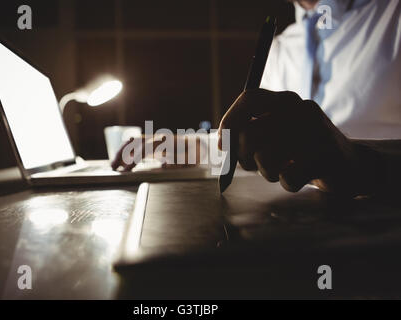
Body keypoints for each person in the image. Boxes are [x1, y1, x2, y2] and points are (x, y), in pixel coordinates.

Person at [112, 0, 401, 197]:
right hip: (298, 236)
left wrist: (361, 162)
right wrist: (182, 145)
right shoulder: (281, 48)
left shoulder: (394, 15)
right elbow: (257, 142)